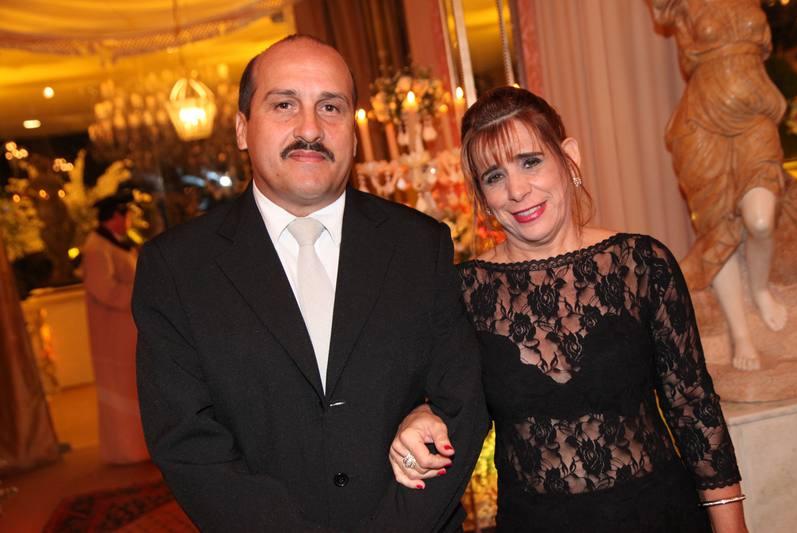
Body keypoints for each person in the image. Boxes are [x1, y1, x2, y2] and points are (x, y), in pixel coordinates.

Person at [132, 35, 487, 532]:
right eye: (284, 105)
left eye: (330, 107)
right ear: (242, 129)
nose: (310, 129)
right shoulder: (176, 268)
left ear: (353, 134)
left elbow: (462, 401)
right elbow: (188, 442)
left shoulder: (419, 245)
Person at [389, 87, 747, 532]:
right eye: (494, 177)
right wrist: (420, 413)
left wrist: (732, 529)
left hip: (660, 516)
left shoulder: (641, 264)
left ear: (569, 157)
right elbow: (447, 401)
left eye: (530, 162)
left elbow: (694, 408)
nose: (517, 190)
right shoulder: (463, 292)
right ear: (481, 193)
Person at [652, 0, 788, 370]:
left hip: (755, 113)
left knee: (760, 220)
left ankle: (760, 289)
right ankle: (740, 334)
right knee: (716, 229)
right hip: (702, 122)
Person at [82, 192, 149, 464]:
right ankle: (126, 450)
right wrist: (141, 293)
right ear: (116, 217)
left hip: (125, 327)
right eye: (127, 215)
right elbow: (103, 289)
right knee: (119, 389)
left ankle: (137, 446)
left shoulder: (114, 243)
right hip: (112, 332)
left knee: (132, 386)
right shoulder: (96, 248)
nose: (129, 220)